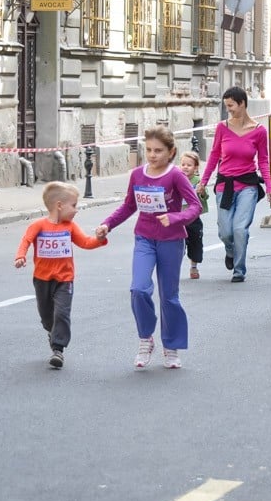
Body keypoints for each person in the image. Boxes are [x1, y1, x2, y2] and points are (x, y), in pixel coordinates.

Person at [97, 127, 201, 370]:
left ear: (170, 152)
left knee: (169, 297)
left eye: (158, 151)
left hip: (171, 240)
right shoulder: (137, 175)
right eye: (149, 150)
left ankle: (171, 346)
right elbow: (128, 206)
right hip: (144, 238)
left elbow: (194, 207)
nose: (152, 155)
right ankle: (146, 338)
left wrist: (174, 218)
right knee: (139, 289)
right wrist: (107, 224)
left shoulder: (176, 176)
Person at [14, 182, 108, 369]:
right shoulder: (38, 225)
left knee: (62, 313)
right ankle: (52, 331)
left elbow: (85, 243)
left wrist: (99, 239)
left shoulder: (70, 227)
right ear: (59, 205)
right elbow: (26, 240)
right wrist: (20, 256)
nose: (76, 209)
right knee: (47, 316)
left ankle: (58, 349)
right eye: (73, 205)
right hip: (42, 279)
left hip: (65, 279)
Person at [198, 86, 271, 283]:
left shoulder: (259, 131)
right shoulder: (222, 128)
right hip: (225, 185)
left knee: (240, 228)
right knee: (225, 232)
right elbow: (214, 155)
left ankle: (239, 269)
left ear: (242, 104)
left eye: (231, 105)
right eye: (226, 106)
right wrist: (203, 182)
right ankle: (230, 251)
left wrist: (270, 187)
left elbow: (264, 161)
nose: (228, 110)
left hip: (248, 185)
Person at [178, 151, 210, 279]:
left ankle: (193, 267)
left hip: (193, 218)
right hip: (179, 218)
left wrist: (201, 191)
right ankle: (175, 267)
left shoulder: (198, 181)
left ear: (196, 167)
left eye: (189, 165)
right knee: (177, 244)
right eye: (183, 164)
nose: (185, 167)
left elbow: (205, 195)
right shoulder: (177, 178)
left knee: (195, 243)